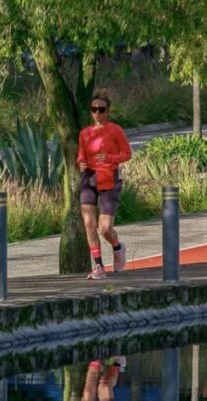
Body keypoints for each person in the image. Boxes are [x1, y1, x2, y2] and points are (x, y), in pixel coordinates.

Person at [77, 91, 132, 279]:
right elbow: (81, 155)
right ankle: (99, 267)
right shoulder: (85, 133)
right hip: (89, 179)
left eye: (101, 110)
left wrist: (109, 157)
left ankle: (117, 247)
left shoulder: (115, 130)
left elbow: (127, 154)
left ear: (108, 111)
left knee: (105, 228)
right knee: (88, 223)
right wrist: (81, 163)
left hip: (109, 179)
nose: (98, 113)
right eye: (94, 109)